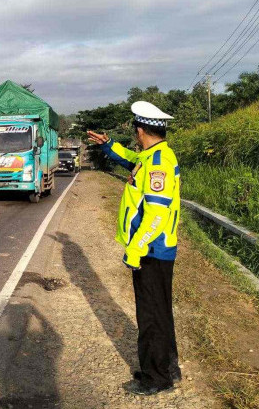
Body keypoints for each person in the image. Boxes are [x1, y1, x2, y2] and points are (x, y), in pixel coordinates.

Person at [87, 101, 181, 396]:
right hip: (155, 250)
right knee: (160, 312)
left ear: (140, 130)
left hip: (152, 251)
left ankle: (156, 378)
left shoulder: (158, 163)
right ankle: (168, 367)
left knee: (151, 316)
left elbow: (157, 213)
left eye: (135, 130)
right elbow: (131, 159)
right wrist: (108, 145)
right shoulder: (153, 155)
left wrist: (136, 248)